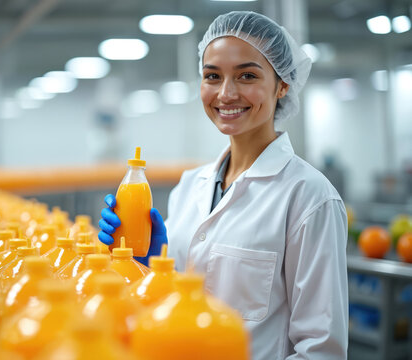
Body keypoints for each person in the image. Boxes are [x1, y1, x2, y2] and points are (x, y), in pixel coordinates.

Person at [98, 11, 348, 360]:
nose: (226, 93)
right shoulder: (190, 186)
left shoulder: (309, 197)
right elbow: (168, 301)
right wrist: (147, 263)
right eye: (212, 76)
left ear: (282, 85)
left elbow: (321, 350)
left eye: (247, 75)